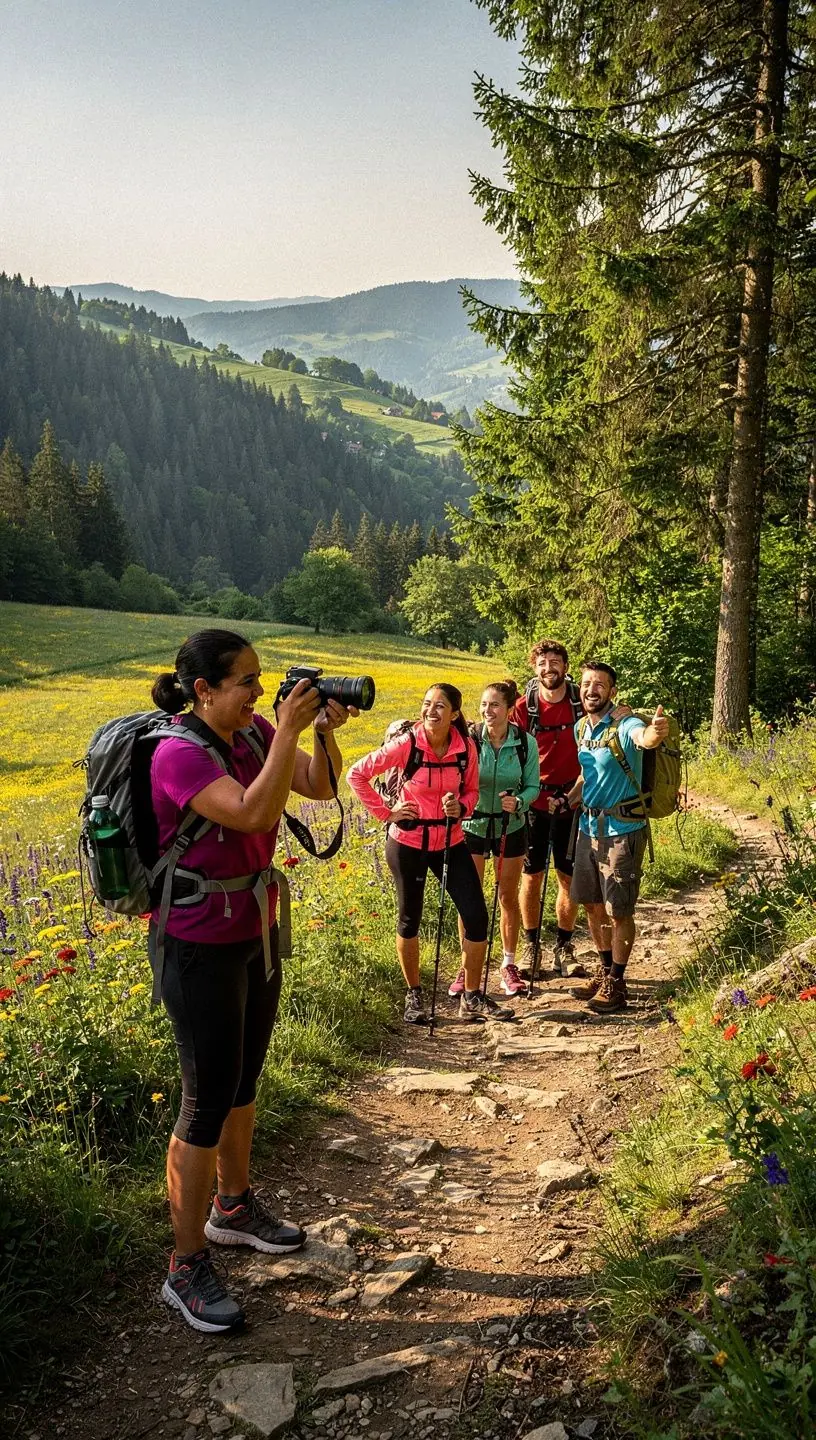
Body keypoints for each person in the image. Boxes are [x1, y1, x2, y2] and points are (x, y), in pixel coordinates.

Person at [149, 629, 354, 1334]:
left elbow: (318, 788)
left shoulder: (254, 731)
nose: (263, 694)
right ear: (203, 689)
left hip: (253, 932)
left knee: (243, 1082)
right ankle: (184, 1265)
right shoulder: (176, 752)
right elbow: (254, 813)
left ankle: (233, 1205)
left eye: (264, 680)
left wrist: (321, 734)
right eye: (247, 682)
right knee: (203, 1103)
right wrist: (289, 728)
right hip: (197, 944)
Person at [347, 684, 513, 1024]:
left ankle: (472, 996)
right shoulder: (407, 744)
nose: (431, 711)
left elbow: (471, 792)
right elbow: (357, 774)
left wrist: (460, 807)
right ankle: (415, 995)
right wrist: (387, 812)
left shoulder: (465, 747)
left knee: (477, 916)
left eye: (440, 706)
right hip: (407, 842)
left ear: (454, 713)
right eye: (426, 704)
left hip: (450, 841)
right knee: (410, 917)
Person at [566, 660, 668, 1014]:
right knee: (593, 906)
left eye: (599, 684)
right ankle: (605, 968)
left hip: (622, 831)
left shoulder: (627, 724)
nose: (591, 689)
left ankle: (618, 982)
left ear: (612, 691)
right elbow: (585, 775)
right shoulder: (582, 727)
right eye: (586, 683)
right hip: (587, 829)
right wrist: (568, 798)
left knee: (618, 909)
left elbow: (645, 739)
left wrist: (656, 730)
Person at [448, 681, 540, 998]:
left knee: (507, 897)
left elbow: (533, 786)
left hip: (509, 826)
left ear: (510, 709)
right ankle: (466, 968)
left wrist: (520, 801)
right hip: (472, 827)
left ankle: (508, 964)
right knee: (469, 900)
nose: (488, 711)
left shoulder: (525, 743)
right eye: (484, 704)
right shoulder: (469, 739)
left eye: (495, 705)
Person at [510, 640, 586, 977]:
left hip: (574, 800)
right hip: (533, 803)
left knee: (568, 878)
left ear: (565, 667)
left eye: (554, 662)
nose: (548, 668)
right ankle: (531, 947)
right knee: (531, 876)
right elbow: (510, 752)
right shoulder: (524, 707)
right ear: (534, 667)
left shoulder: (580, 703)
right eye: (542, 663)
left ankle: (564, 947)